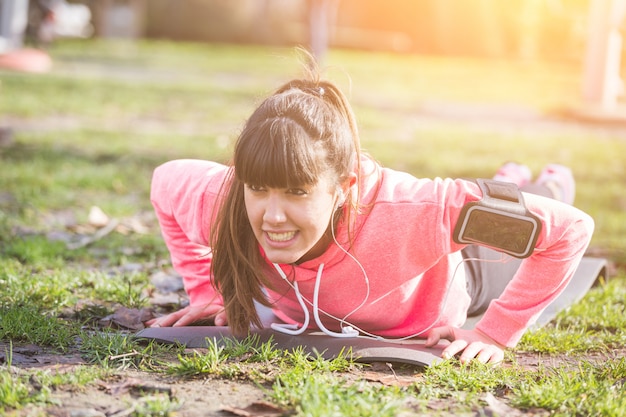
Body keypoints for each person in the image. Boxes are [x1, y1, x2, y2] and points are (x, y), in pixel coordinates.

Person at [145, 57, 594, 364]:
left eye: (298, 192)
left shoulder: (415, 210)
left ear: (345, 187)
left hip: (468, 272)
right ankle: (512, 173)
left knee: (535, 204)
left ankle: (548, 180)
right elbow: (164, 181)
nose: (273, 216)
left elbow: (569, 229)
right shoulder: (223, 203)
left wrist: (496, 332)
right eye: (259, 188)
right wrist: (207, 291)